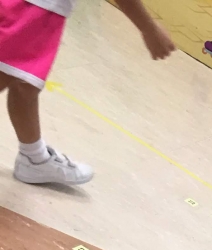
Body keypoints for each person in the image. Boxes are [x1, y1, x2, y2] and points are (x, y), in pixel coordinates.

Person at [1, 0, 174, 186]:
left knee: (26, 83)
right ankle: (34, 158)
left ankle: (34, 158)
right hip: (33, 7)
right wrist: (149, 29)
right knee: (13, 76)